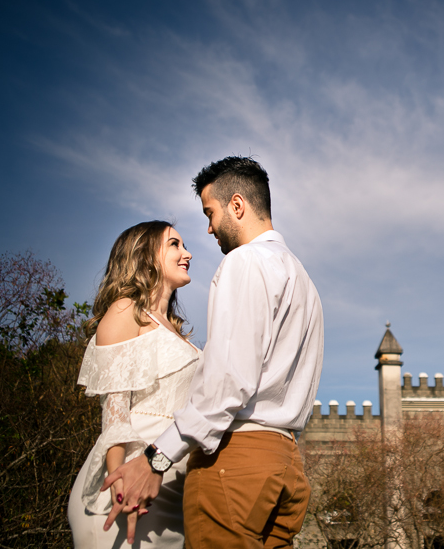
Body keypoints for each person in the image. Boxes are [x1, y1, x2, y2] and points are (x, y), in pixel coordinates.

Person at [103, 157, 325, 549]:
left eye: (210, 213)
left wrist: (157, 458)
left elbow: (226, 386)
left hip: (236, 462)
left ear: (237, 206)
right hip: (287, 466)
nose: (208, 229)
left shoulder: (244, 262)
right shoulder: (305, 283)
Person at [68, 221, 200, 548]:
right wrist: (122, 486)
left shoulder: (180, 333)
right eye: (175, 244)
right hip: (132, 485)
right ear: (145, 255)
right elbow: (114, 414)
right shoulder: (125, 310)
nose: (188, 253)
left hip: (175, 491)